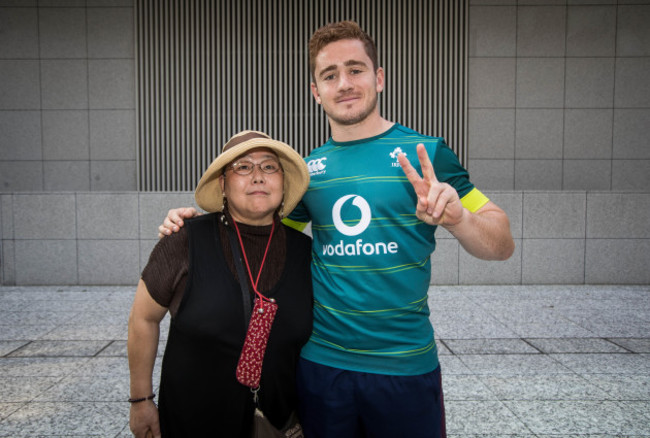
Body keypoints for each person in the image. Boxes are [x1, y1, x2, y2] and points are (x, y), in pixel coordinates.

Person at [159, 21, 515, 438]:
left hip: (405, 367)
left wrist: (460, 219)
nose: (344, 83)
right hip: (321, 368)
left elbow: (501, 243)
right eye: (330, 75)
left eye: (356, 69)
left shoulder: (428, 154)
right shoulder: (307, 173)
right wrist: (196, 225)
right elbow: (257, 232)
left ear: (379, 78)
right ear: (316, 91)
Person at [127, 130, 313, 437]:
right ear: (223, 184)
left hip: (277, 422)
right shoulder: (185, 240)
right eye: (243, 167)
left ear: (283, 182)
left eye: (269, 167)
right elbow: (142, 319)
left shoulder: (305, 252)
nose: (257, 176)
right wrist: (141, 400)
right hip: (193, 420)